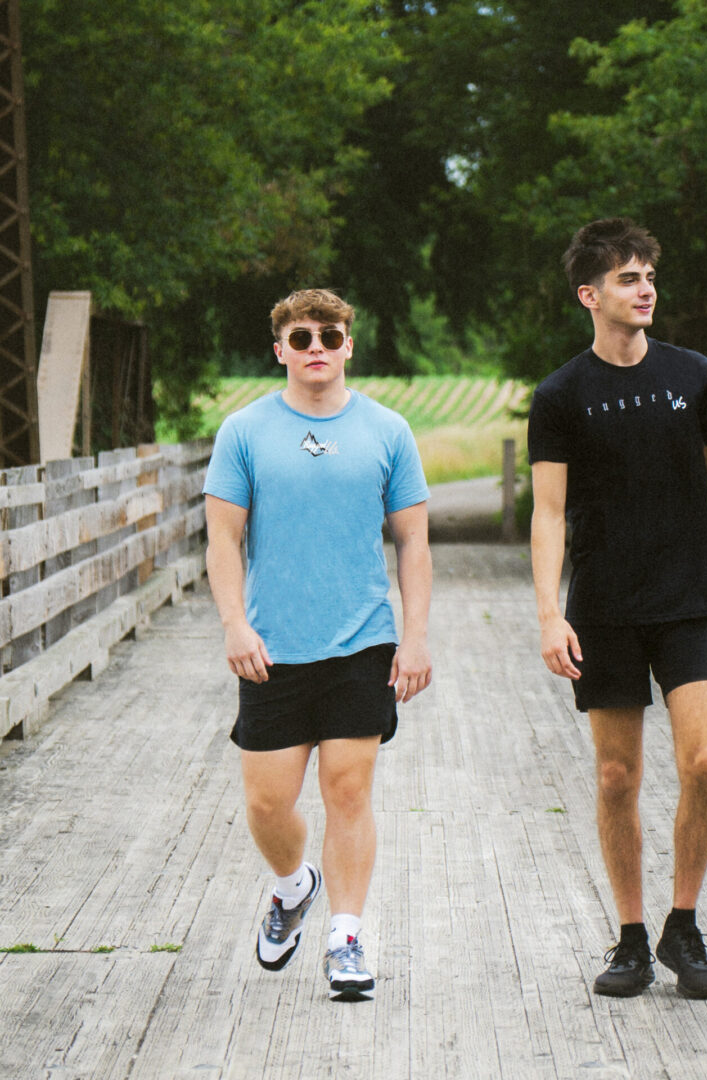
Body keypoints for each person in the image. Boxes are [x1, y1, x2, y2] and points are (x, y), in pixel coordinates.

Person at [527, 218, 707, 1000]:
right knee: (613, 777)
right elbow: (545, 511)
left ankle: (683, 924)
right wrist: (546, 612)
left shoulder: (693, 375)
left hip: (683, 603)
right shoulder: (561, 394)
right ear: (589, 294)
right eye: (628, 279)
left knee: (702, 763)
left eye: (647, 277)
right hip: (602, 607)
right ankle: (631, 938)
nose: (644, 291)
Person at [203, 288, 432, 1002]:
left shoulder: (387, 431)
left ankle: (347, 938)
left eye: (329, 337)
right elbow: (222, 537)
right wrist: (234, 623)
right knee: (269, 805)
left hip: (361, 642)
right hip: (272, 645)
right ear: (279, 350)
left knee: (348, 790)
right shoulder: (244, 431)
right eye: (300, 338)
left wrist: (414, 637)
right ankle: (292, 886)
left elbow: (413, 540)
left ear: (348, 346)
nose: (315, 350)